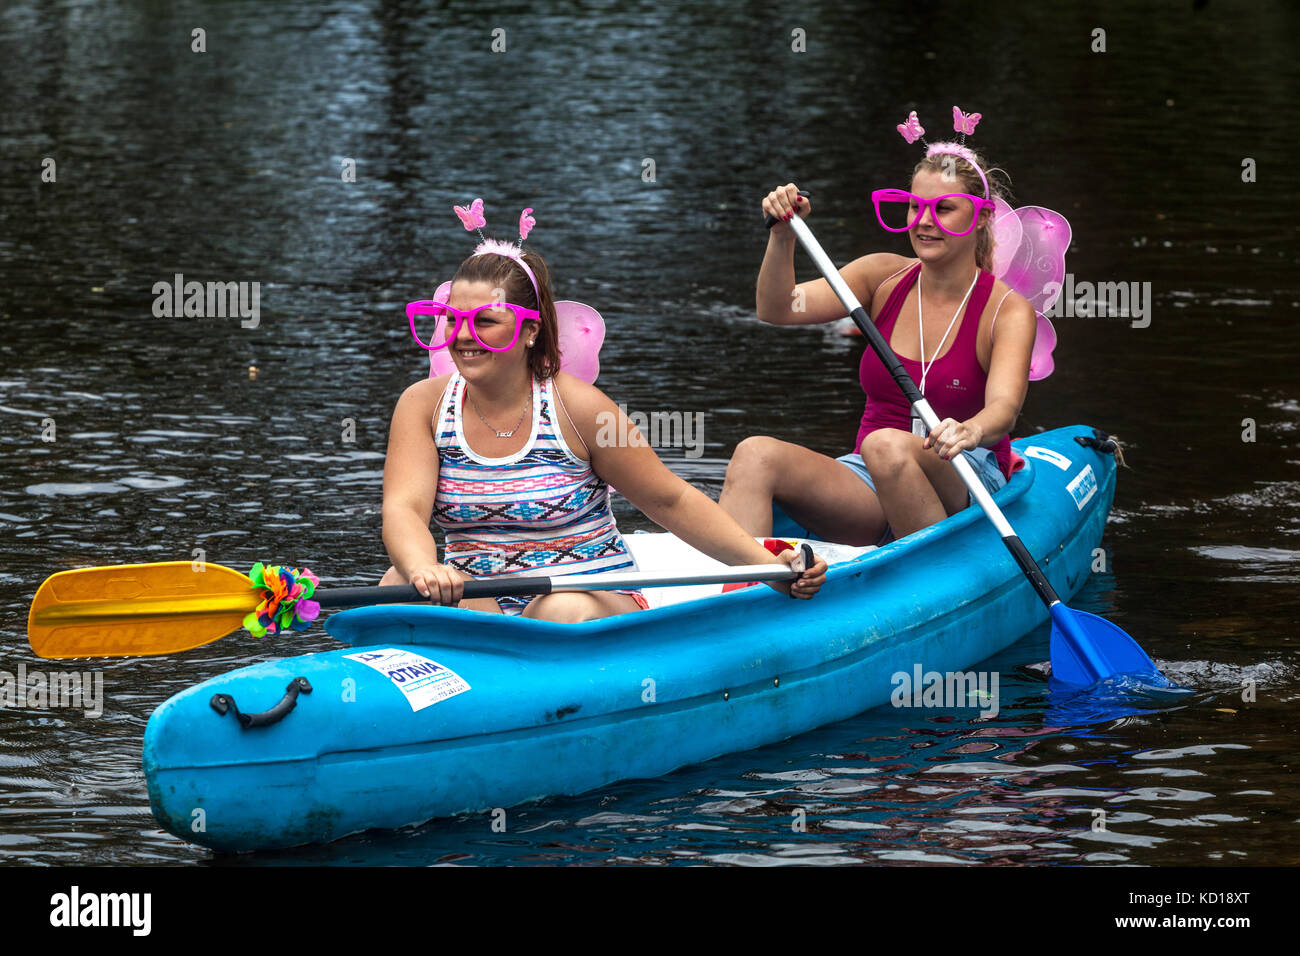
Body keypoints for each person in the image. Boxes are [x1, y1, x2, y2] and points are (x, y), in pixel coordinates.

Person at [380, 201, 827, 621]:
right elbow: (403, 509)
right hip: (481, 602)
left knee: (561, 610)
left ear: (530, 329)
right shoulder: (422, 405)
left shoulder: (581, 408)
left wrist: (768, 568)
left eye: (484, 321)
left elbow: (670, 500)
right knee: (398, 580)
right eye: (454, 320)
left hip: (587, 599)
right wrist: (425, 568)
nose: (462, 335)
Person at [719, 107, 1063, 547]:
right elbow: (777, 308)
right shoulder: (881, 276)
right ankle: (737, 594)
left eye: (944, 209)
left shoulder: (1005, 310)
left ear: (980, 217)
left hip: (965, 474)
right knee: (754, 454)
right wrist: (783, 235)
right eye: (915, 207)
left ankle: (935, 578)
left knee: (887, 444)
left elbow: (1003, 409)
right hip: (869, 476)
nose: (922, 221)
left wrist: (971, 429)